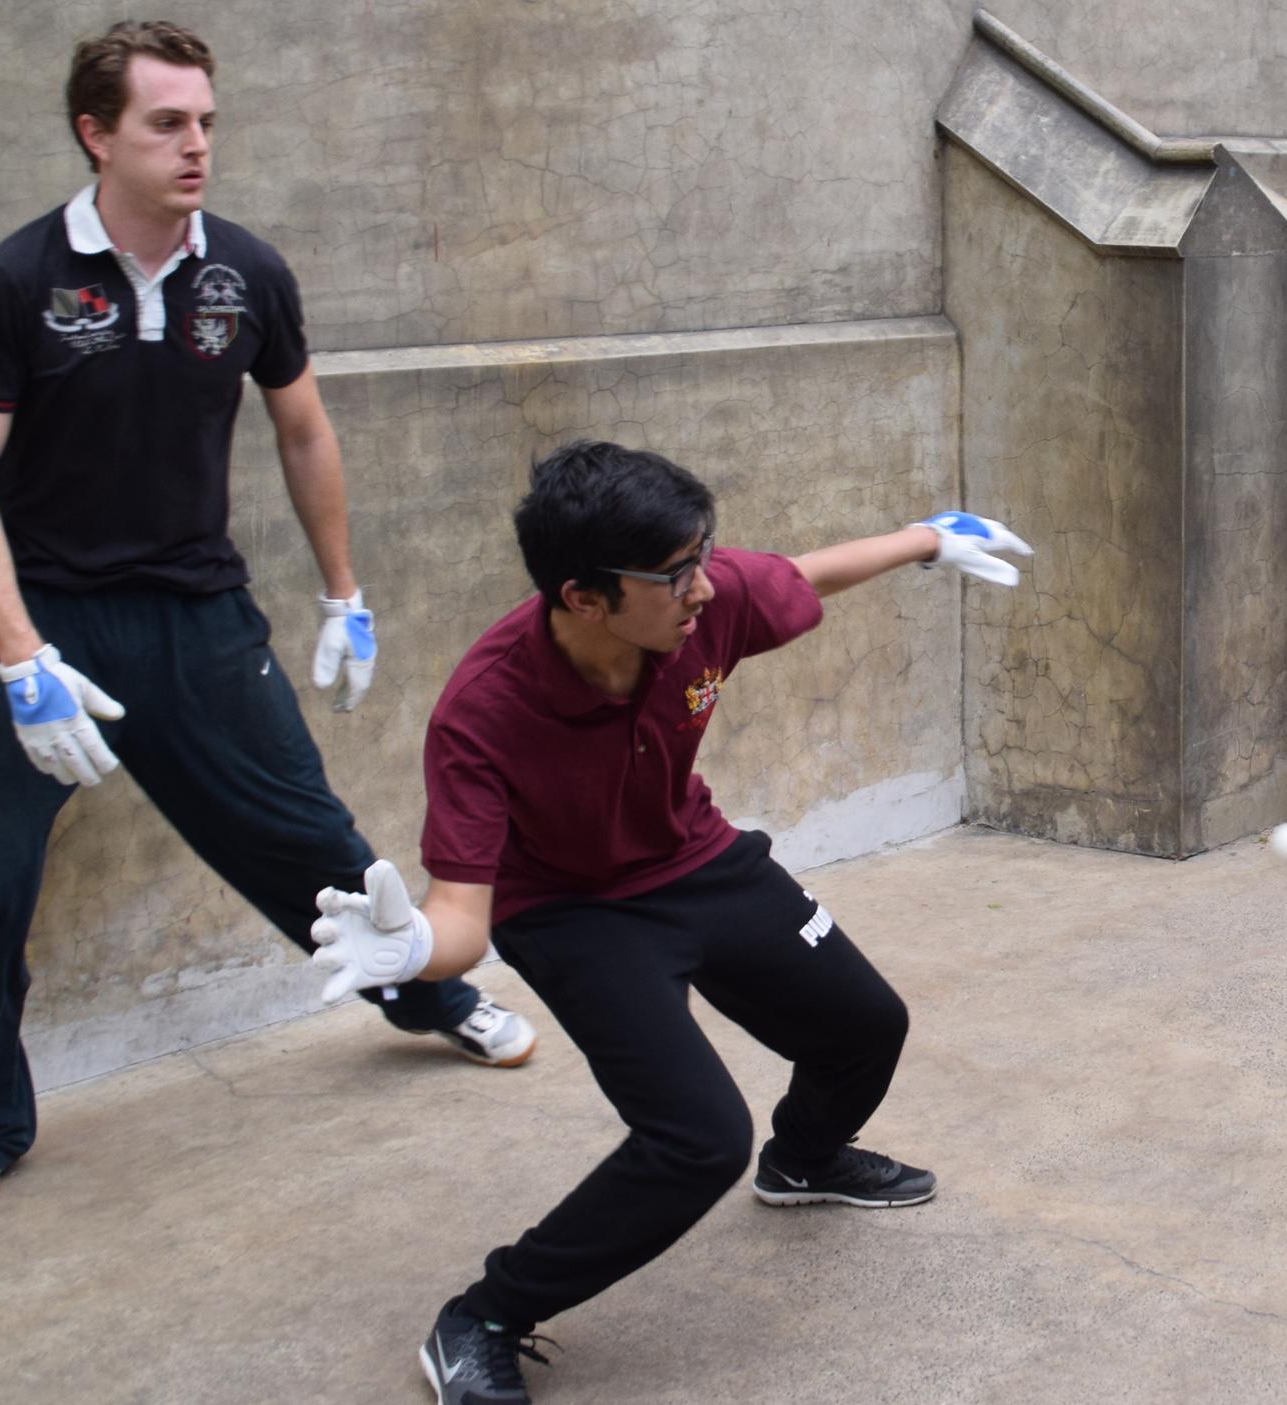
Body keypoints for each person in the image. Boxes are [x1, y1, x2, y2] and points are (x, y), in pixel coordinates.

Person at [308, 441, 1032, 1404]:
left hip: (692, 855)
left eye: (702, 557)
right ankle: (485, 1313)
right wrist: (409, 951)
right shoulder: (482, 715)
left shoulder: (703, 599)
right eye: (676, 573)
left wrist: (928, 540)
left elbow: (803, 573)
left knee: (866, 1026)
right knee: (695, 1137)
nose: (703, 586)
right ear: (583, 598)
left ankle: (804, 1159)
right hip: (570, 910)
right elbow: (461, 918)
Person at [0, 21, 534, 1217]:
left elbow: (302, 430)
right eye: (166, 123)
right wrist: (18, 655)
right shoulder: (15, 280)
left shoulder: (245, 273)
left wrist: (346, 596)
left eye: (207, 123)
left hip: (196, 610)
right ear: (96, 133)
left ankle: (428, 996)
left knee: (302, 832)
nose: (196, 147)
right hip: (41, 620)